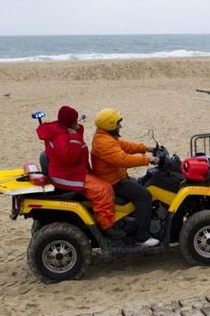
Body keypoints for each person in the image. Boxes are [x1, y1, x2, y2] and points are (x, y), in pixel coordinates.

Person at [36, 105, 116, 235]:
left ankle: (102, 218)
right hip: (68, 175)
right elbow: (71, 157)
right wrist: (74, 137)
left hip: (70, 171)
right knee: (102, 191)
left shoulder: (59, 129)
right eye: (75, 121)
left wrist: (76, 132)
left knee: (106, 186)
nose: (77, 123)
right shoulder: (61, 136)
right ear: (69, 122)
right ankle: (107, 228)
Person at [91, 108, 159, 247]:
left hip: (116, 177)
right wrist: (148, 159)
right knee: (144, 196)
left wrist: (147, 148)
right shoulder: (104, 143)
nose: (120, 126)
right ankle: (142, 237)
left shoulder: (106, 137)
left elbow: (125, 146)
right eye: (118, 124)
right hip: (113, 182)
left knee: (142, 183)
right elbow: (123, 159)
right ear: (110, 125)